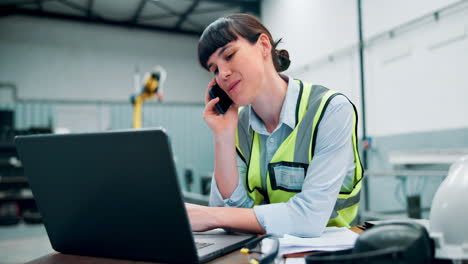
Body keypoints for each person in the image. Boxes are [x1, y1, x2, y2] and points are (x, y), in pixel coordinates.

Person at [186, 13, 363, 237]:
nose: (223, 74)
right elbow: (231, 216)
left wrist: (210, 216)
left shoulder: (331, 110)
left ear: (263, 45)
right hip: (264, 250)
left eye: (229, 55)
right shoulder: (240, 124)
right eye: (214, 70)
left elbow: (308, 219)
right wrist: (223, 134)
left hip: (329, 254)